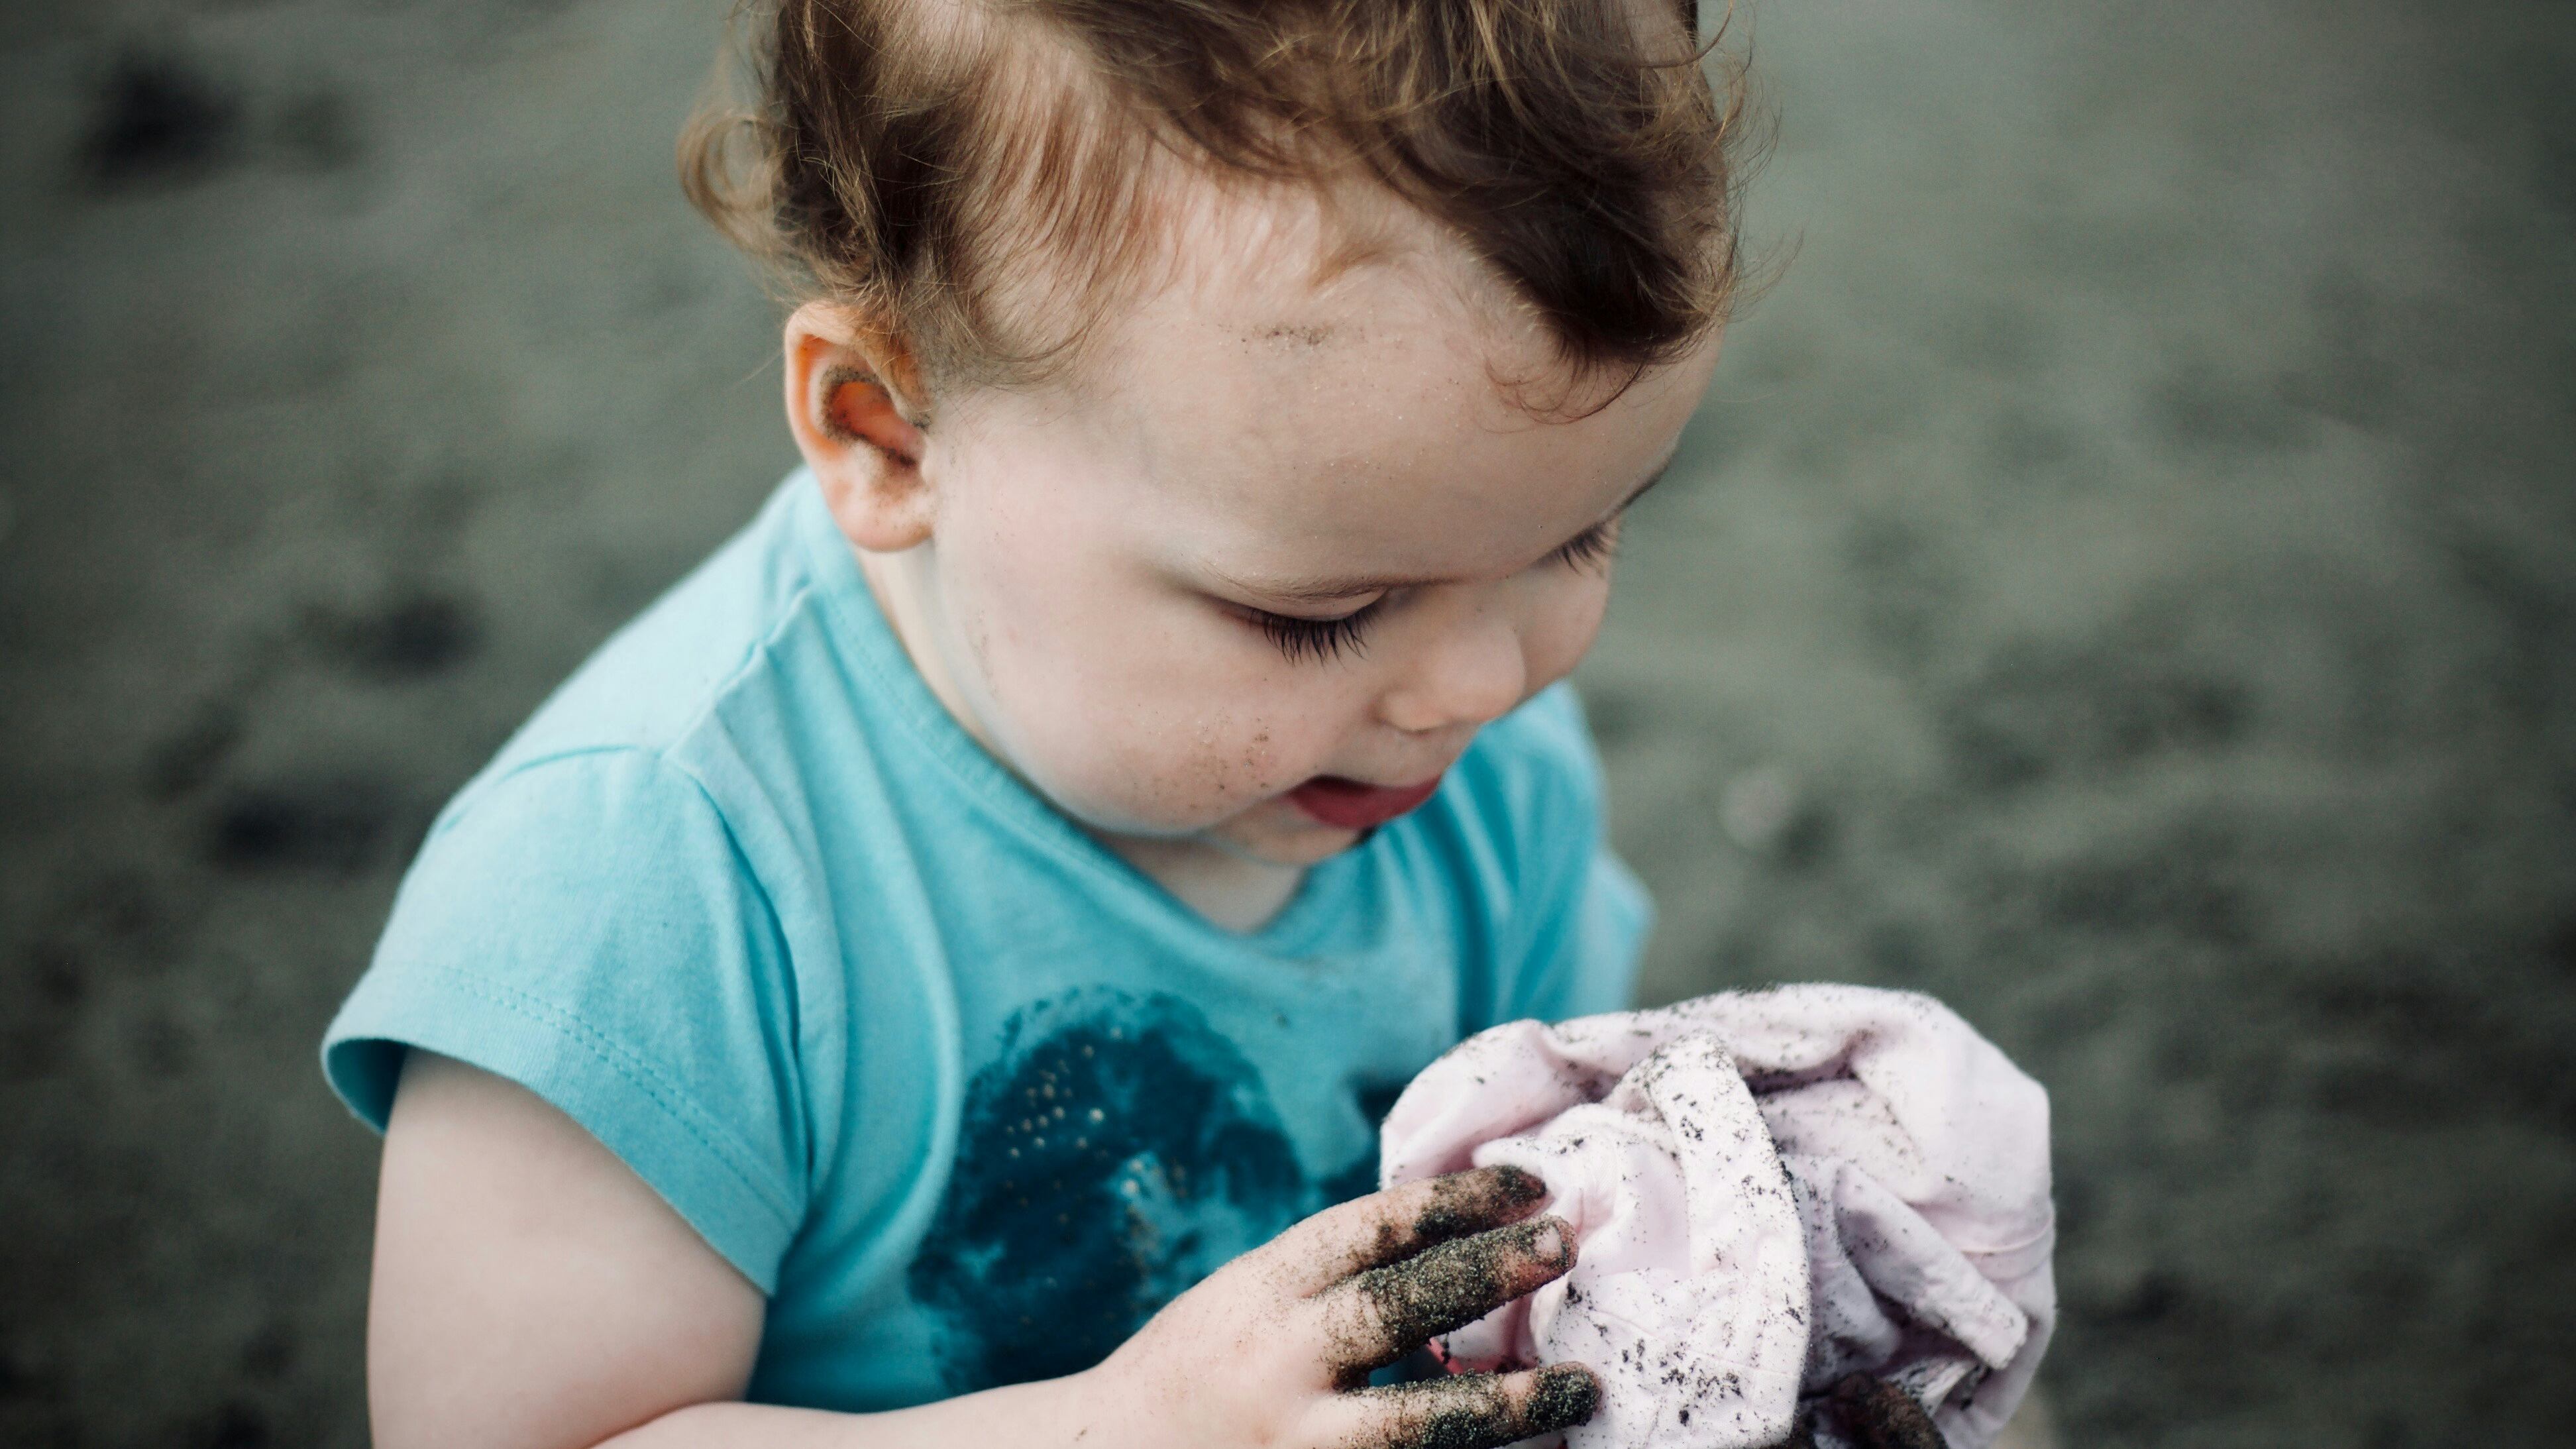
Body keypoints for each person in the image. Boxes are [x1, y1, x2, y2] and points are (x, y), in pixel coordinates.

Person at [323, 2, 1751, 1446]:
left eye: (1577, 538)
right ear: (888, 431)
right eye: (1318, 612)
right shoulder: (643, 889)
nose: (1479, 684)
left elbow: (1572, 1208)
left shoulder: (1466, 758)